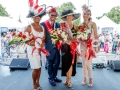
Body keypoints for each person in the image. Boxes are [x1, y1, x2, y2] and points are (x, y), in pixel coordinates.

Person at [25, 1, 46, 90]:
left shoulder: (42, 27)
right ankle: (34, 83)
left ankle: (38, 82)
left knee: (40, 67)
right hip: (32, 51)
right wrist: (31, 43)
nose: (37, 18)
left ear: (40, 17)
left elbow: (44, 39)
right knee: (36, 68)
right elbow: (25, 40)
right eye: (35, 16)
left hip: (41, 51)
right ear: (33, 17)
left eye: (38, 16)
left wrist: (42, 44)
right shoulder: (29, 27)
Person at [41, 6, 62, 86]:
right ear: (48, 14)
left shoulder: (58, 24)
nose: (53, 16)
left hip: (57, 47)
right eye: (52, 14)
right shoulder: (43, 24)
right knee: (50, 64)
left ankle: (55, 76)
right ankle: (50, 78)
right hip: (49, 48)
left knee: (57, 63)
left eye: (55, 15)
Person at [80, 4, 99, 87]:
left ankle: (90, 78)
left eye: (88, 14)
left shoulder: (93, 24)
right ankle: (84, 77)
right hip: (82, 46)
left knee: (88, 64)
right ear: (82, 14)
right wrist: (81, 39)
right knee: (83, 64)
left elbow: (96, 36)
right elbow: (78, 36)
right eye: (85, 14)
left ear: (90, 15)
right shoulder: (80, 25)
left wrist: (96, 46)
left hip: (90, 46)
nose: (86, 15)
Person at [60, 9, 80, 88]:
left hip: (72, 47)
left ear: (72, 17)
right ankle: (66, 79)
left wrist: (72, 41)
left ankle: (69, 80)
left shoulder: (75, 26)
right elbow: (60, 36)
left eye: (70, 15)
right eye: (67, 16)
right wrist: (65, 41)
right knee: (65, 64)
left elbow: (75, 37)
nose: (69, 17)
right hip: (64, 47)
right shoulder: (62, 25)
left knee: (71, 64)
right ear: (65, 17)